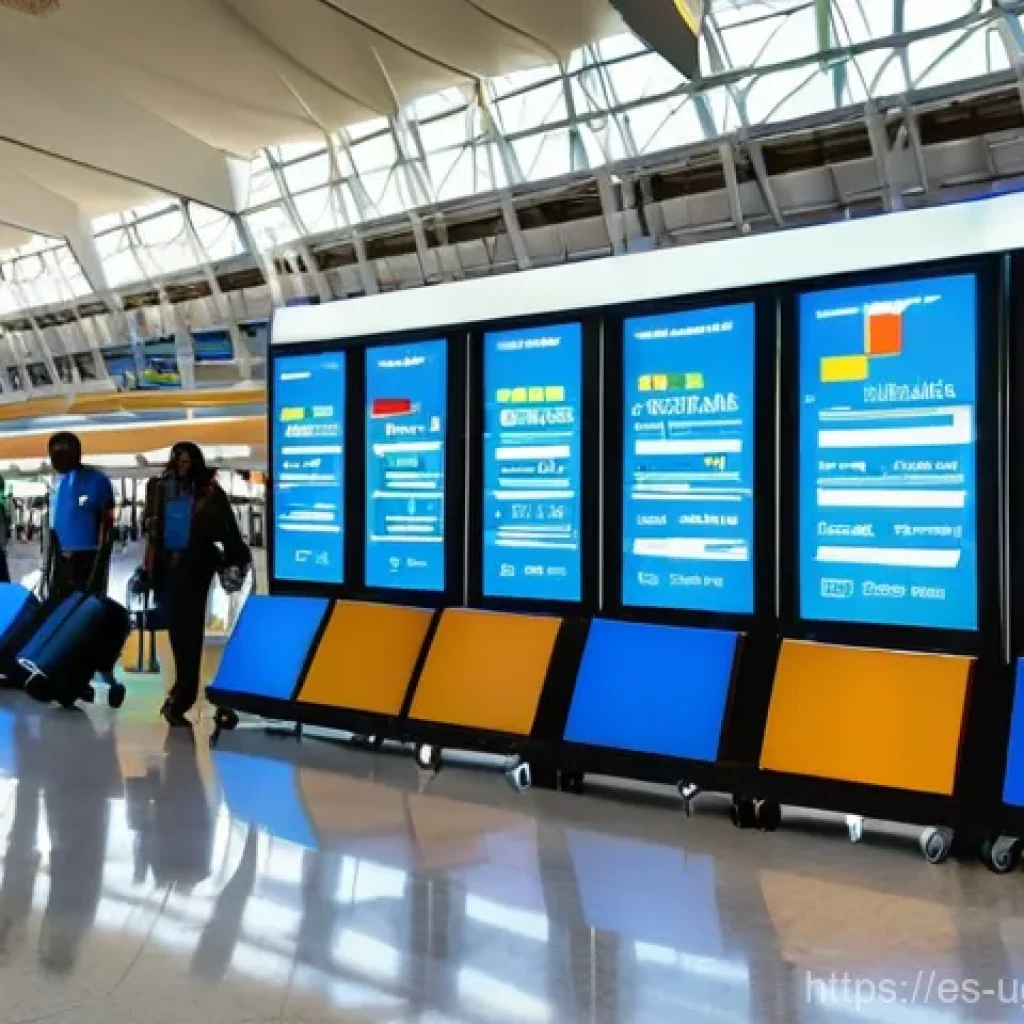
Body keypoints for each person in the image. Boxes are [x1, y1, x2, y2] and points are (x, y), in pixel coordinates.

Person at [136, 442, 250, 728]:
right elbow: (149, 532)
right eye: (178, 460)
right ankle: (181, 693)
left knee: (190, 632)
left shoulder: (210, 493)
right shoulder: (160, 488)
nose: (182, 465)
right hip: (167, 568)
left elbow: (229, 531)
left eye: (187, 460)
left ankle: (182, 696)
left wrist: (235, 559)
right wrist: (147, 568)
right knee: (178, 632)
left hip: (197, 567)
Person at [46, 432, 114, 599]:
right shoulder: (59, 484)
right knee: (60, 602)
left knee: (85, 602)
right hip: (61, 555)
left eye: (64, 452)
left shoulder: (96, 480)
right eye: (54, 453)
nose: (59, 458)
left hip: (88, 555)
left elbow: (108, 519)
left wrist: (101, 555)